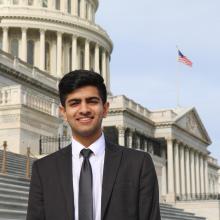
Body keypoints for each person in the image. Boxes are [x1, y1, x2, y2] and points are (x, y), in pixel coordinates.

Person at [27, 70, 161, 220]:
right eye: (75, 103)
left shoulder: (138, 165)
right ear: (63, 112)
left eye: (92, 101)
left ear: (105, 109)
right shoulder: (44, 170)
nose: (84, 110)